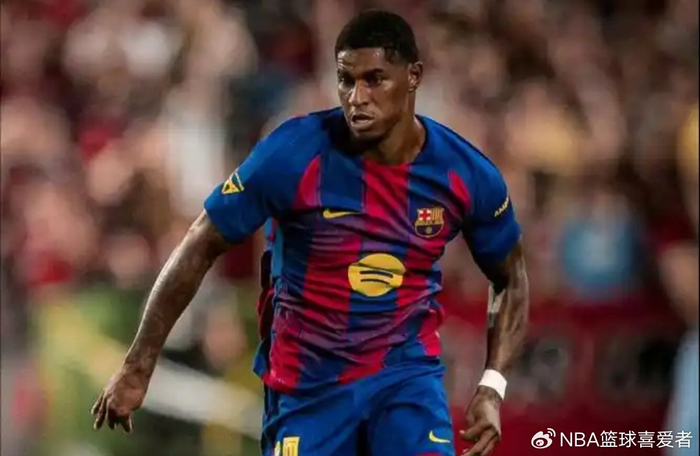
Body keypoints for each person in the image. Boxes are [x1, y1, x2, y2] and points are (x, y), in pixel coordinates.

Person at [91, 10, 529, 456]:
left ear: (413, 76)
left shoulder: (463, 173)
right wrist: (138, 365)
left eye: (375, 79)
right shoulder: (293, 153)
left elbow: (510, 277)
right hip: (308, 390)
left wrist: (492, 386)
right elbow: (200, 243)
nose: (357, 97)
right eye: (346, 80)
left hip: (405, 381)